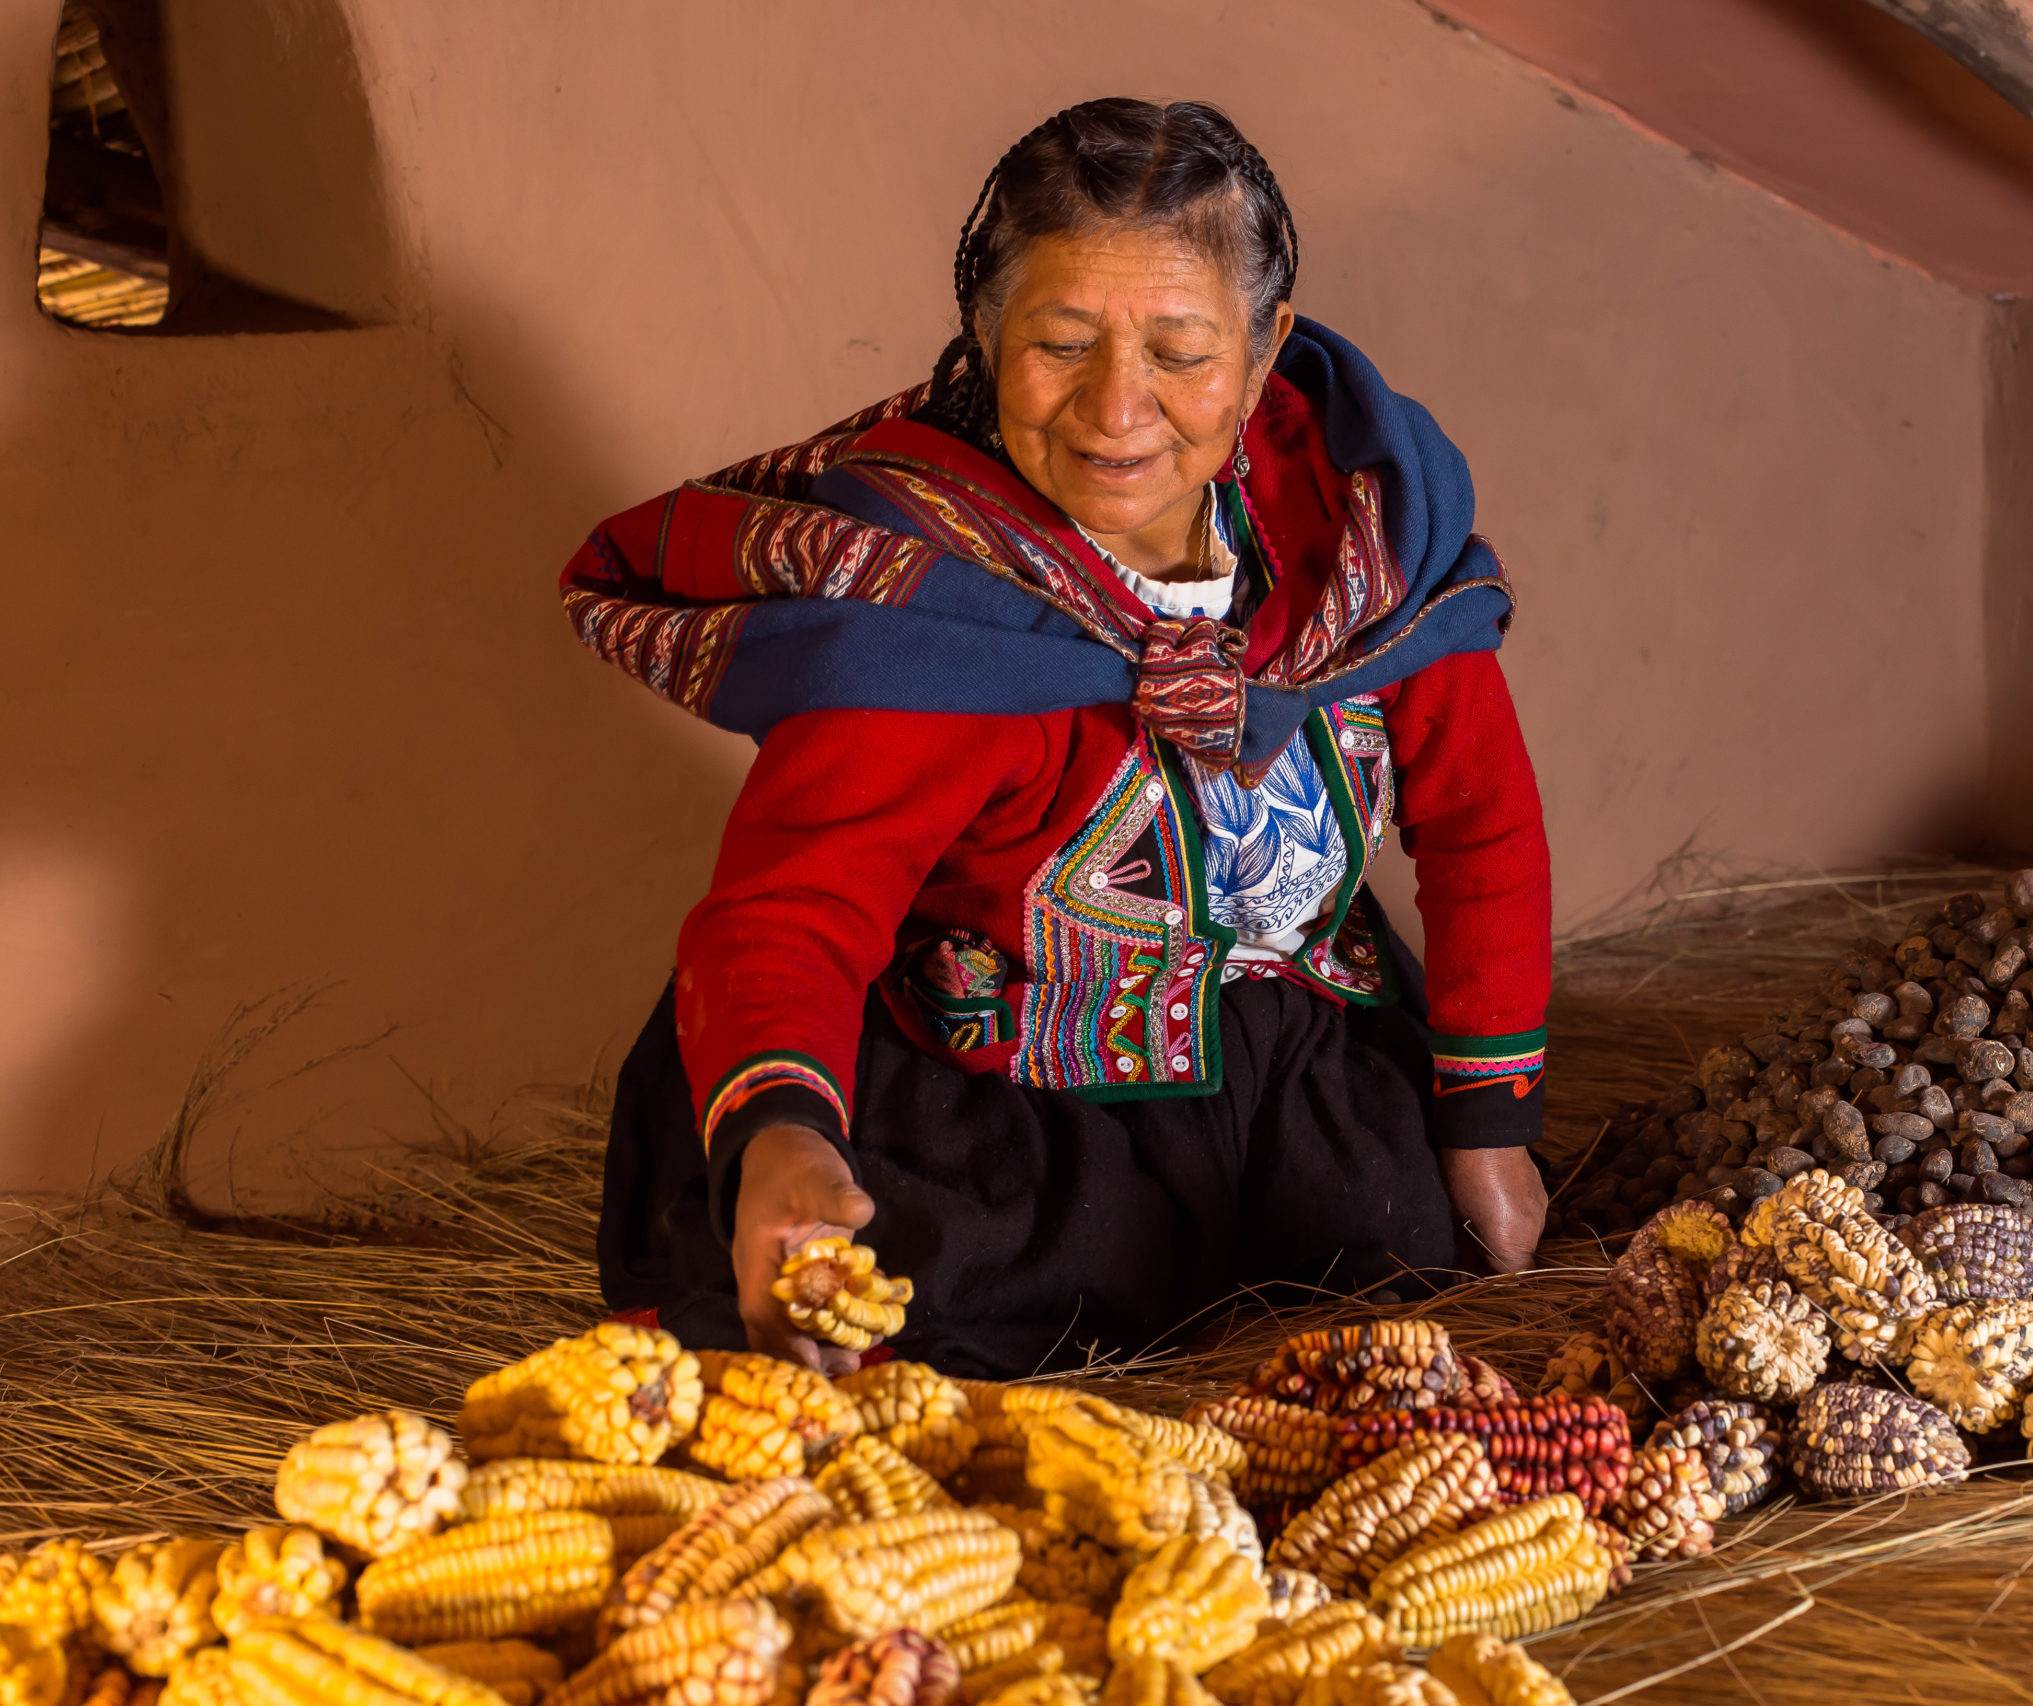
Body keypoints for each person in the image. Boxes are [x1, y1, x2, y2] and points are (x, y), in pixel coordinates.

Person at [564, 98, 1551, 1378]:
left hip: (1297, 1067)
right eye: (1061, 342)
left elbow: (1482, 825)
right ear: (984, 336)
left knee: (1399, 1294)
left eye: (1182, 352)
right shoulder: (930, 613)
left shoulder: (1365, 553)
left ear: (1265, 354)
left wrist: (1486, 1122)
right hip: (1006, 1104)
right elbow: (793, 907)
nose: (1116, 407)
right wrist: (787, 1147)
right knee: (914, 1349)